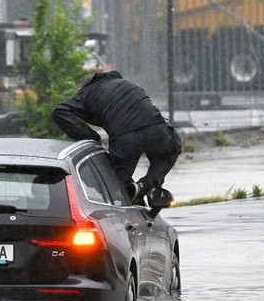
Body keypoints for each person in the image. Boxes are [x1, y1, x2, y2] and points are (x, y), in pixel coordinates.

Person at [50, 70, 182, 203]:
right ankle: (144, 186)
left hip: (125, 139)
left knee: (114, 184)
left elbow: (59, 112)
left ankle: (127, 196)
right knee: (172, 148)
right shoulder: (128, 85)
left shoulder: (88, 92)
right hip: (156, 129)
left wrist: (92, 139)